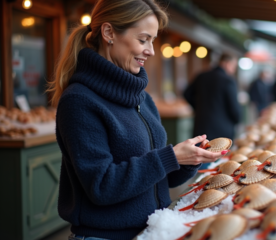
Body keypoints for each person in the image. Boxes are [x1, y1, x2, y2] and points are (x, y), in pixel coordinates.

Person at [48, 1, 225, 239]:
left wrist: (188, 159)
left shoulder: (143, 98)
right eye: (143, 39)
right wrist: (169, 157)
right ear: (109, 33)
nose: (151, 50)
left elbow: (158, 178)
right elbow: (101, 186)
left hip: (151, 231)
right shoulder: (79, 101)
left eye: (152, 40)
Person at [183, 53, 241, 148]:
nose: (233, 70)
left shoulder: (201, 76)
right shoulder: (228, 80)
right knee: (220, 160)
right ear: (227, 63)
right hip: (223, 130)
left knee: (200, 156)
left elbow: (186, 94)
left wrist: (198, 108)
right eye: (233, 66)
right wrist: (237, 120)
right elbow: (234, 109)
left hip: (201, 126)